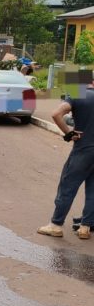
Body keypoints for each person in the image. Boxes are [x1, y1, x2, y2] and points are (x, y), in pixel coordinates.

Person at [38, 81, 94, 240]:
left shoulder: (77, 93)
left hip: (83, 150)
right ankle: (85, 227)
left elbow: (56, 114)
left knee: (67, 186)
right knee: (93, 190)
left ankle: (55, 225)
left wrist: (68, 133)